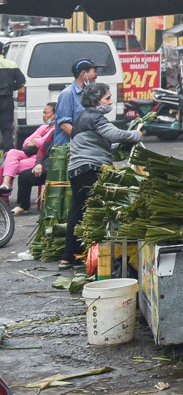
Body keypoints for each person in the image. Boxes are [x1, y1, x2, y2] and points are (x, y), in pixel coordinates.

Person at [63, 82, 143, 268]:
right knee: (101, 212)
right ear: (95, 101)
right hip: (91, 169)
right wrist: (136, 134)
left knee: (78, 213)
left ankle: (68, 257)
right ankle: (99, 257)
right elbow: (114, 134)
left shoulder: (82, 118)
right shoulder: (93, 116)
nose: (110, 101)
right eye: (107, 98)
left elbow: (102, 143)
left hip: (76, 171)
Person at [6, 104, 54, 217]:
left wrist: (35, 142)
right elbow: (28, 144)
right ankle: (6, 187)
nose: (43, 115)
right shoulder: (43, 128)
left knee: (14, 169)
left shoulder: (56, 129)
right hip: (38, 159)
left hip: (49, 164)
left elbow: (42, 143)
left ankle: (16, 201)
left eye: (46, 113)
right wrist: (39, 162)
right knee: (11, 155)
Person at [54, 59, 97, 146]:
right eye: (94, 71)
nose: (97, 75)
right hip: (69, 149)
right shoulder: (68, 94)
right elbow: (64, 125)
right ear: (83, 73)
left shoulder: (88, 93)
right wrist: (85, 142)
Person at [0, 52, 22, 154]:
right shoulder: (11, 64)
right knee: (7, 129)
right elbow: (21, 81)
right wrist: (11, 88)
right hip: (6, 100)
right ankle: (9, 154)